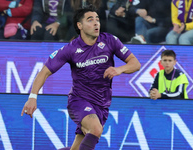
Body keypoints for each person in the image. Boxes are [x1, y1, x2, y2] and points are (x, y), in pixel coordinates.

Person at [21, 5, 141, 150]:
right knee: (96, 129)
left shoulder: (110, 41)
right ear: (80, 25)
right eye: (90, 20)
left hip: (102, 104)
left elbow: (135, 64)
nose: (96, 23)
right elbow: (44, 72)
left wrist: (119, 69)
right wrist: (33, 97)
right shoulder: (70, 49)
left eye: (97, 19)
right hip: (79, 101)